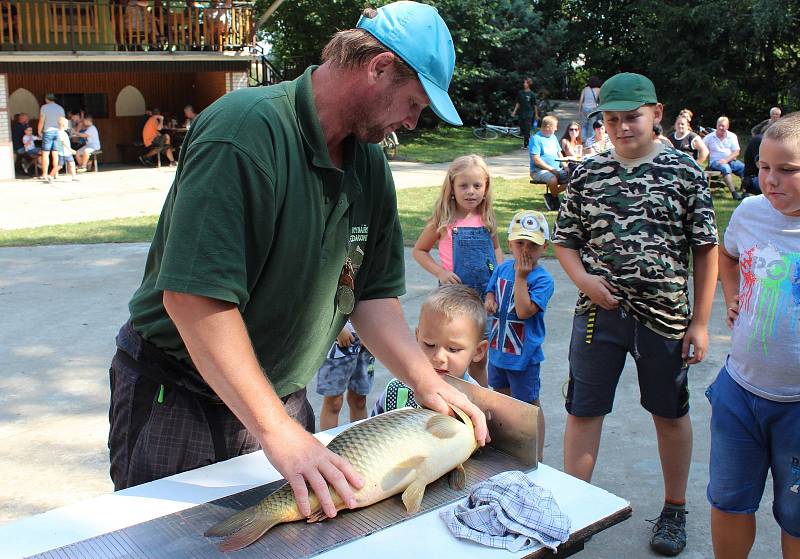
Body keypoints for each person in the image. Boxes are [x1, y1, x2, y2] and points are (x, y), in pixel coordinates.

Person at [107, 1, 488, 525]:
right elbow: (193, 301)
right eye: (413, 103)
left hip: (280, 399)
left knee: (285, 537)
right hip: (179, 396)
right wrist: (279, 432)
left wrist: (425, 380)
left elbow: (370, 292)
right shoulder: (243, 132)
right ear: (378, 67)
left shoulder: (369, 163)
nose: (411, 121)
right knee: (167, 543)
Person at [553, 72, 719, 557]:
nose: (622, 128)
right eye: (612, 119)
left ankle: (674, 508)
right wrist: (584, 280)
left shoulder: (684, 172)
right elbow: (565, 243)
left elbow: (706, 250)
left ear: (657, 114)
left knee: (669, 413)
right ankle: (573, 512)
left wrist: (702, 322)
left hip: (665, 317)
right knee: (584, 410)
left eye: (632, 118)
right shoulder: (587, 173)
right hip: (597, 316)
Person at [708, 112, 800, 559]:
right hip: (740, 392)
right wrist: (732, 293)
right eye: (763, 167)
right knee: (728, 501)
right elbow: (727, 255)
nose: (770, 179)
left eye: (787, 169)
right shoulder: (749, 214)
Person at [412, 154, 503, 387]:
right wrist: (441, 273)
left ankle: (481, 400)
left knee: (478, 359)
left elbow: (496, 250)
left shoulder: (487, 219)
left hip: (485, 298)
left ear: (486, 187)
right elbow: (420, 251)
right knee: (450, 357)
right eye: (463, 185)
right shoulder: (443, 220)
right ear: (452, 187)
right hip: (453, 300)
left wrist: (500, 281)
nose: (470, 191)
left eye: (477, 185)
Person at [484, 210, 553, 460]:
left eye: (533, 245)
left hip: (524, 357)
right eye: (520, 243)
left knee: (528, 405)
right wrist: (490, 300)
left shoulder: (542, 279)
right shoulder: (501, 270)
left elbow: (524, 311)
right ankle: (510, 446)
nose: (525, 250)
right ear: (509, 243)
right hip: (499, 350)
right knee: (503, 401)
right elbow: (490, 291)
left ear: (544, 246)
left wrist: (521, 277)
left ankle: (536, 453)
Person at [371, 284, 488, 415]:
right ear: (417, 338)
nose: (439, 357)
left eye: (453, 349)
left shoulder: (477, 402)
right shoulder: (396, 390)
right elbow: (371, 432)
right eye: (429, 344)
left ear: (478, 351)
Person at [315, 321, 375, 430]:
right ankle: (329, 445)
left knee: (359, 400)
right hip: (337, 338)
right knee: (334, 402)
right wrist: (338, 328)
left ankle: (359, 442)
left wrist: (371, 330)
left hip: (366, 334)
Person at [530, 115, 569, 211]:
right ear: (548, 127)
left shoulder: (553, 137)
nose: (556, 129)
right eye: (555, 126)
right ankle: (555, 201)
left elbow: (559, 153)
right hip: (538, 171)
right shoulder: (536, 139)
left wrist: (565, 166)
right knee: (553, 179)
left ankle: (551, 195)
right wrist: (552, 169)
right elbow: (536, 160)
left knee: (575, 177)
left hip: (556, 170)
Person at [703, 116, 745, 200]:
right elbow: (701, 148)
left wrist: (726, 160)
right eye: (719, 125)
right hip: (716, 162)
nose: (721, 128)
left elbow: (736, 151)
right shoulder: (709, 137)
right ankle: (734, 193)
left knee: (744, 168)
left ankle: (745, 192)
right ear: (716, 126)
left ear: (727, 127)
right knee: (725, 168)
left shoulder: (732, 136)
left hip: (730, 160)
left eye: (723, 126)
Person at [37, 93, 65, 183]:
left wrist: (39, 131)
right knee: (55, 154)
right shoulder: (60, 108)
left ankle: (45, 174)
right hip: (58, 132)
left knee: (45, 154)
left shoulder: (44, 107)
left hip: (48, 132)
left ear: (46, 99)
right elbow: (63, 121)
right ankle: (55, 174)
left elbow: (42, 120)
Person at [510, 77, 538, 149]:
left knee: (527, 128)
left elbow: (535, 105)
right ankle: (528, 138)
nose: (524, 84)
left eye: (525, 83)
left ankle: (526, 144)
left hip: (529, 113)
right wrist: (514, 111)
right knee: (521, 127)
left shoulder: (532, 94)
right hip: (521, 113)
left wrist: (536, 115)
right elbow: (518, 103)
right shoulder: (520, 93)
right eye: (524, 82)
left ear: (528, 84)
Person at [54, 117, 78, 182]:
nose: (68, 126)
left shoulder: (63, 132)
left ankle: (74, 177)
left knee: (72, 163)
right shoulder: (60, 133)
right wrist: (71, 149)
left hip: (67, 152)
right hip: (63, 152)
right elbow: (63, 142)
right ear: (63, 125)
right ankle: (50, 175)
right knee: (60, 166)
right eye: (67, 124)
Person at [578, 75, 602, 140]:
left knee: (584, 126)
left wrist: (579, 110)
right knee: (592, 126)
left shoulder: (585, 89)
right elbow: (601, 100)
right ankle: (592, 141)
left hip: (585, 108)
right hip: (593, 109)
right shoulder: (599, 90)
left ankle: (583, 140)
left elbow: (581, 100)